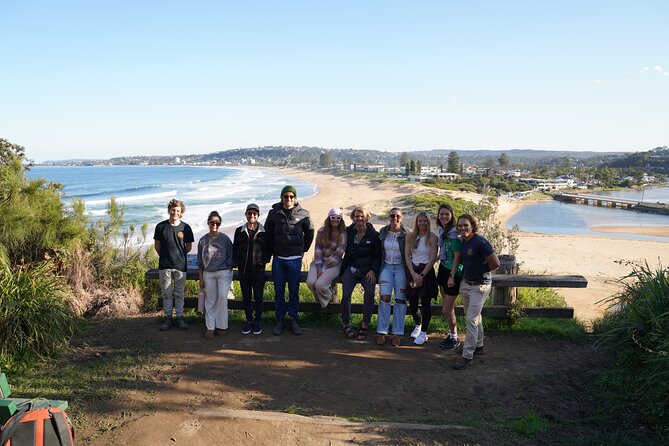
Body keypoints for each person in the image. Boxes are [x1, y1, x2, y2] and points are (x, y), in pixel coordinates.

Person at [264, 185, 315, 336]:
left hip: (294, 259)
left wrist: (303, 249)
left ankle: (293, 319)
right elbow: (267, 233)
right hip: (279, 258)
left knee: (294, 292)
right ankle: (279, 319)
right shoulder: (274, 213)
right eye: (286, 196)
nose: (288, 199)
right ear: (281, 198)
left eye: (291, 197)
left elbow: (310, 232)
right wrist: (270, 253)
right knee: (279, 292)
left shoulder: (304, 214)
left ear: (295, 198)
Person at [453, 214, 500, 370]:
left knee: (471, 320)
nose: (463, 228)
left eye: (466, 225)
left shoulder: (480, 242)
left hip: (480, 286)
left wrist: (480, 271)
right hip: (466, 284)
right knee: (473, 317)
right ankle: (478, 345)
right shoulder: (464, 242)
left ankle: (467, 356)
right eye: (460, 226)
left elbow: (495, 263)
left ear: (472, 226)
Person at [340, 206, 381, 340]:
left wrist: (373, 270)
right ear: (353, 218)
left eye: (362, 216)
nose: (359, 219)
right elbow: (333, 234)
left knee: (369, 294)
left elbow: (378, 256)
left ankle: (365, 323)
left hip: (367, 270)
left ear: (367, 217)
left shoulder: (374, 235)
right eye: (357, 216)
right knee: (345, 296)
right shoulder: (348, 232)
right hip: (350, 268)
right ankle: (346, 323)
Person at [154, 198, 194, 331]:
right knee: (167, 294)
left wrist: (178, 256)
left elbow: (188, 247)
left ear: (181, 212)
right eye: (173, 210)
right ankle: (167, 318)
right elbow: (157, 247)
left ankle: (179, 318)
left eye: (177, 210)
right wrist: (166, 257)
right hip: (165, 265)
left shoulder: (186, 227)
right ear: (169, 210)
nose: (175, 213)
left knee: (179, 293)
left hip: (180, 266)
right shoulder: (161, 227)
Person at [233, 203, 270, 336]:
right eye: (250, 213)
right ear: (246, 215)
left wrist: (262, 262)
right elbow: (235, 248)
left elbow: (268, 250)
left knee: (259, 297)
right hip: (244, 272)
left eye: (255, 213)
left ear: (258, 215)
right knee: (246, 298)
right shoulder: (239, 231)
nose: (252, 215)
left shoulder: (264, 231)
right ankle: (249, 320)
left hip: (258, 271)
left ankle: (258, 321)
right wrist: (237, 263)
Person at [197, 211, 234, 339]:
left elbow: (231, 255)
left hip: (223, 272)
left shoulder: (225, 239)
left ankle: (221, 325)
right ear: (208, 223)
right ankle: (210, 327)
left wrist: (229, 268)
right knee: (210, 300)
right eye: (212, 222)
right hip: (208, 273)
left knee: (223, 297)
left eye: (217, 223)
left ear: (220, 224)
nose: (214, 225)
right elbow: (200, 262)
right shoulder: (202, 240)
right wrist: (201, 278)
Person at [376, 207, 409, 347]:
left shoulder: (407, 233)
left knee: (401, 300)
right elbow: (378, 252)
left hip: (401, 268)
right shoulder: (383, 232)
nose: (395, 219)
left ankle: (397, 332)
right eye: (392, 216)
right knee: (384, 297)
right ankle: (382, 330)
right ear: (388, 217)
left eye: (398, 216)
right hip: (387, 268)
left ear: (401, 218)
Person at [404, 211, 438, 345]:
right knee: (412, 303)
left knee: (425, 304)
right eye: (420, 221)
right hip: (413, 271)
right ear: (416, 222)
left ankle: (424, 333)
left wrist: (422, 275)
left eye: (425, 221)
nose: (422, 223)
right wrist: (413, 273)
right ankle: (418, 325)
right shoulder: (410, 236)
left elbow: (432, 258)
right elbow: (407, 255)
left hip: (426, 272)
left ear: (428, 222)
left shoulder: (432, 237)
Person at [306, 207, 347, 310]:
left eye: (338, 218)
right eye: (333, 217)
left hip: (335, 264)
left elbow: (338, 254)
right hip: (319, 261)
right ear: (329, 218)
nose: (335, 219)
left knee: (320, 285)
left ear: (341, 219)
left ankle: (326, 304)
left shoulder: (343, 234)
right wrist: (319, 267)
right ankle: (323, 304)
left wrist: (324, 268)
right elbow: (318, 250)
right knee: (311, 283)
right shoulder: (321, 231)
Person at [436, 204, 463, 350]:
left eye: (447, 214)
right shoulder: (442, 230)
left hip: (454, 272)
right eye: (441, 214)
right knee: (447, 305)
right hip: (443, 268)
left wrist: (452, 276)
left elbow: (458, 257)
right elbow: (442, 252)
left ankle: (454, 337)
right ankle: (452, 334)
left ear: (452, 215)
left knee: (446, 309)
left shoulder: (454, 233)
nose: (444, 217)